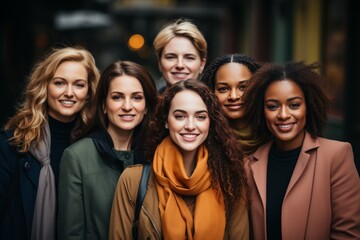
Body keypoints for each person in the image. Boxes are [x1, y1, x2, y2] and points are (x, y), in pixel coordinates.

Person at [109, 80, 250, 240]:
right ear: (166, 122)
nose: (190, 125)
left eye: (200, 117)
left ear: (210, 123)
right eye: (180, 116)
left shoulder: (230, 181)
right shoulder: (133, 180)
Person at [242, 61, 360, 239]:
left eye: (294, 105)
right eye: (273, 106)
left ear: (308, 106)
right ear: (262, 111)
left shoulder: (336, 156)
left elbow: (347, 233)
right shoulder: (249, 165)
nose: (283, 115)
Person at [0, 46, 100, 240]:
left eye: (79, 85)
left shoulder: (96, 146)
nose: (69, 93)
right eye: (60, 83)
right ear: (45, 86)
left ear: (88, 93)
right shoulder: (12, 144)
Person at [57, 60, 158, 240]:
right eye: (117, 97)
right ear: (104, 105)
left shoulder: (156, 155)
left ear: (146, 107)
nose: (127, 106)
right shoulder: (77, 156)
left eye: (136, 97)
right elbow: (71, 234)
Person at [201, 53, 266, 154]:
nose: (234, 96)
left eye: (243, 87)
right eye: (224, 89)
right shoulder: (203, 140)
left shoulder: (275, 136)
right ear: (212, 92)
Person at [153, 18, 207, 93]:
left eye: (189, 58)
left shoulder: (215, 104)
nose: (180, 65)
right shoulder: (147, 104)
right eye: (171, 57)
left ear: (202, 64)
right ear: (159, 63)